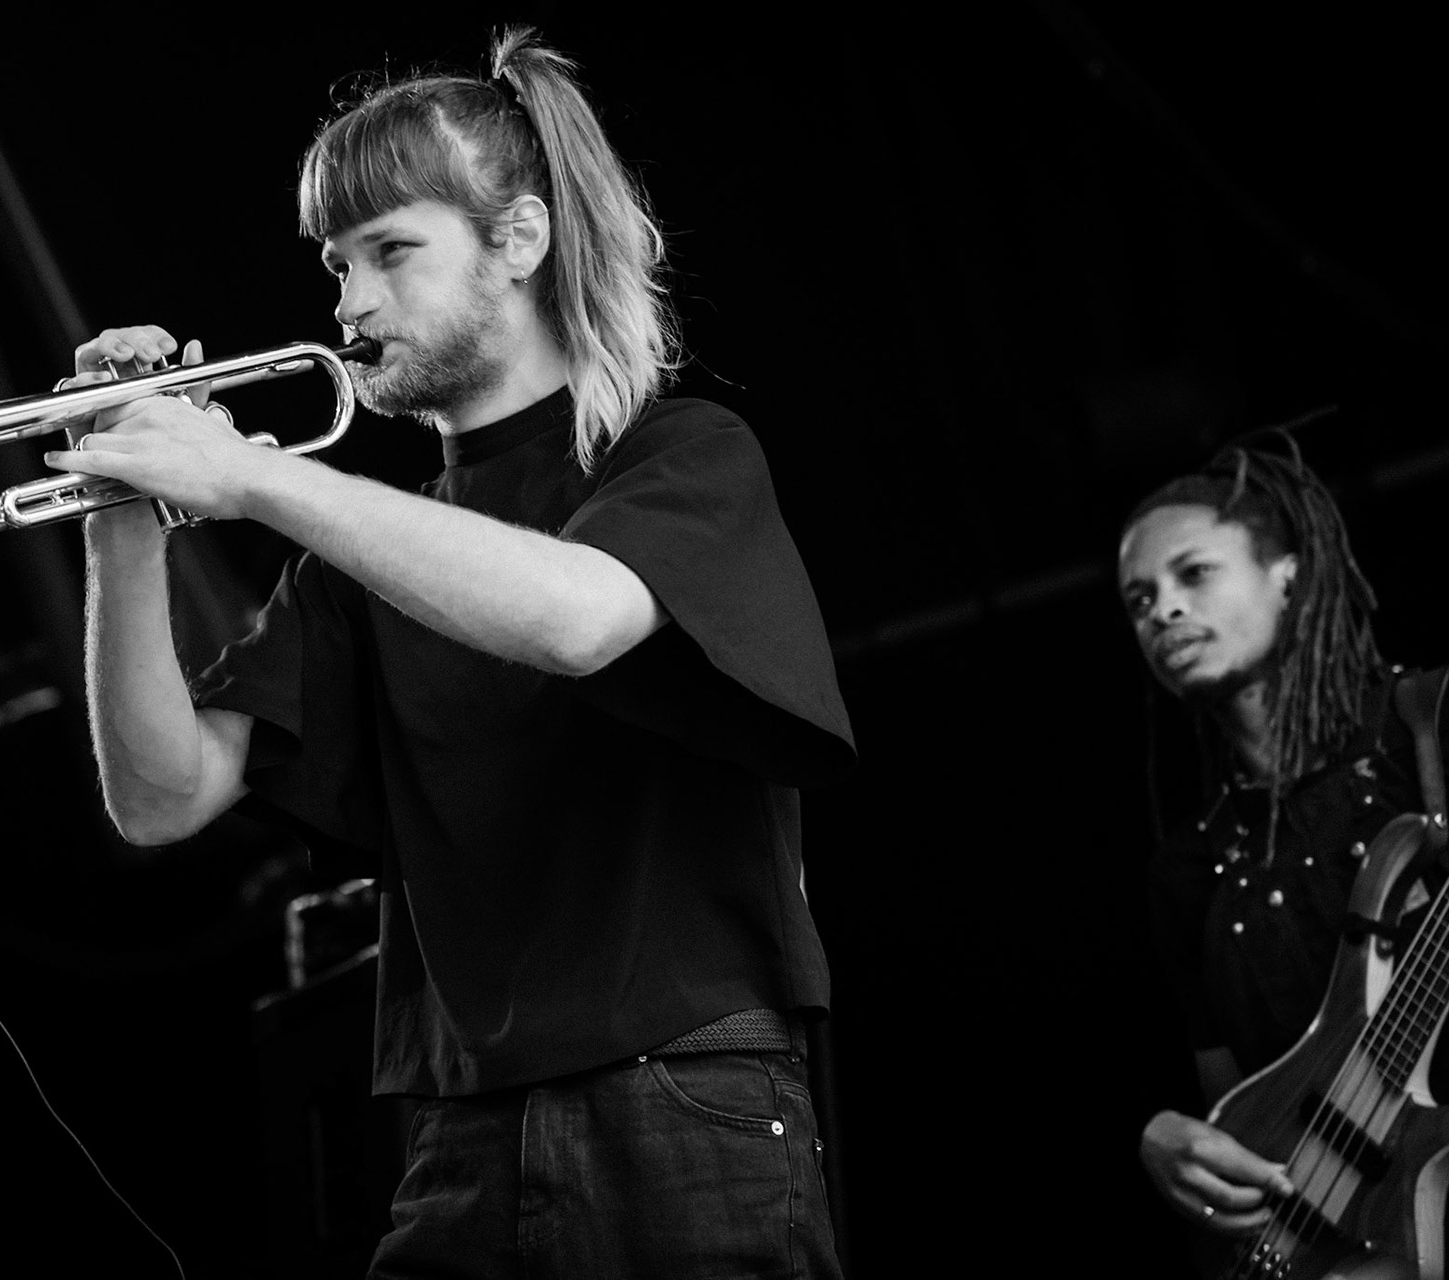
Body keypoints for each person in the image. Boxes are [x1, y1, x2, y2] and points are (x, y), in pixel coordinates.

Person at [43, 28, 853, 1278]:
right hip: (459, 1129)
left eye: (390, 252)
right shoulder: (358, 559)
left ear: (518, 241)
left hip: (686, 1099)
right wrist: (120, 514)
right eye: (335, 264)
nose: (347, 302)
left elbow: (575, 618)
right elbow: (159, 798)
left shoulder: (676, 453)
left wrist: (248, 475)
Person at [1117, 432, 1449, 1275]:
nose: (1164, 611)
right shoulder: (1190, 868)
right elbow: (1237, 1115)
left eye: (1194, 573)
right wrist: (1169, 1144)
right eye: (1139, 600)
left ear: (1288, 572)